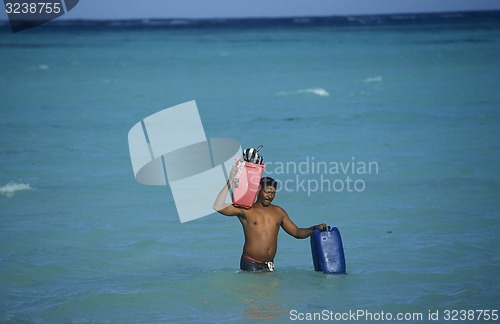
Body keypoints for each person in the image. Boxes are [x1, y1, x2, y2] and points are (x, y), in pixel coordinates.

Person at [213, 164, 327, 272]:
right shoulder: (246, 210)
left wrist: (314, 228)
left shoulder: (278, 212)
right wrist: (230, 181)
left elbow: (297, 232)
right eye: (267, 192)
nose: (270, 196)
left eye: (273, 193)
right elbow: (218, 206)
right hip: (250, 263)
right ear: (258, 191)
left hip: (269, 264)